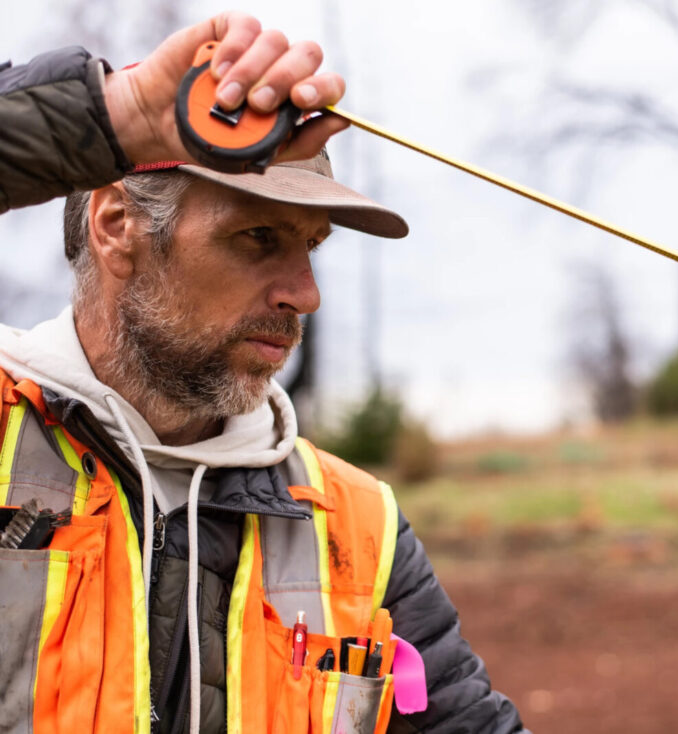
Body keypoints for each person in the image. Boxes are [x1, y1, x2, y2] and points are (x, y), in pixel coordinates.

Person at [0, 12, 527, 734]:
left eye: (312, 245)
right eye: (257, 237)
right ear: (117, 223)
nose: (303, 293)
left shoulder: (357, 526)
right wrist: (118, 117)